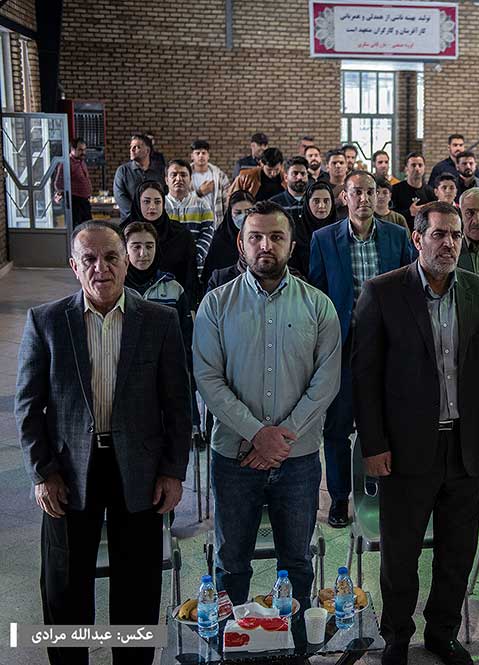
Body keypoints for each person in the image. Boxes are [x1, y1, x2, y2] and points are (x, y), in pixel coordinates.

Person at [17, 220, 190, 665]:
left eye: (111, 257)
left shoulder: (159, 321)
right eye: (89, 259)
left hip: (140, 470)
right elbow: (28, 408)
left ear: (126, 262)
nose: (101, 268)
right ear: (74, 266)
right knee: (65, 584)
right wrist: (42, 473)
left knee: (138, 583)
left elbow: (178, 404)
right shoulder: (46, 322)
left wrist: (173, 471)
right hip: (68, 472)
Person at [352, 201, 479, 665]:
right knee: (400, 555)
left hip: (465, 446)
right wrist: (374, 445)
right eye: (439, 234)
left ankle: (442, 633)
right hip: (404, 449)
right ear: (417, 239)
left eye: (455, 235)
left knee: (457, 552)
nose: (450, 243)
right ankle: (396, 636)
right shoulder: (383, 292)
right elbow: (364, 376)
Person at [193, 200, 342, 613]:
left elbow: (326, 381)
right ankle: (230, 641)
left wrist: (281, 438)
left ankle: (296, 641)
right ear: (241, 244)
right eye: (255, 237)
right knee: (231, 565)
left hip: (299, 460)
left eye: (276, 237)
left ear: (292, 245)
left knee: (297, 564)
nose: (265, 245)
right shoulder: (216, 305)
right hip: (234, 458)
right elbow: (208, 379)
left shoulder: (318, 306)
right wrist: (257, 434)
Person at [309, 170, 414, 527]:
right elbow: (318, 296)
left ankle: (379, 489)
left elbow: (408, 288)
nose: (365, 198)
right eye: (357, 192)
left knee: (385, 421)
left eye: (371, 192)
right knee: (337, 427)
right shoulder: (324, 239)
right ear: (345, 197)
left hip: (386, 344)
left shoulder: (397, 236)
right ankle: (340, 498)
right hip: (343, 344)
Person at [123, 221, 194, 352]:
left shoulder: (173, 289)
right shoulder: (115, 288)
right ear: (125, 249)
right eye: (136, 247)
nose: (143, 253)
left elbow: (186, 337)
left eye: (149, 246)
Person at [122, 179, 198, 297]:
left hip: (172, 300)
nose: (152, 206)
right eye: (146, 201)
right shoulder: (122, 234)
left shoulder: (181, 234)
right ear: (138, 203)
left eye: (157, 202)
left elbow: (190, 276)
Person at [165, 159, 215, 271]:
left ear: (190, 179)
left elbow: (208, 234)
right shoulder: (160, 206)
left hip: (196, 268)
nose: (178, 179)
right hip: (166, 269)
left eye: (183, 175)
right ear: (166, 180)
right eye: (173, 175)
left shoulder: (202, 205)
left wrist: (194, 258)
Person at [202, 190, 255, 292]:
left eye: (248, 211)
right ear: (230, 213)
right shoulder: (219, 241)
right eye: (238, 212)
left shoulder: (261, 238)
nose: (244, 216)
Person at [113, 133, 162, 219]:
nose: (132, 150)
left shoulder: (159, 171)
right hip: (130, 221)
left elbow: (164, 194)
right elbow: (120, 197)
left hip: (155, 220)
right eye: (131, 147)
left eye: (137, 147)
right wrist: (137, 215)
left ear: (147, 150)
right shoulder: (123, 171)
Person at [53, 137, 93, 226]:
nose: (83, 152)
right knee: (77, 230)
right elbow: (58, 184)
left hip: (84, 202)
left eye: (84, 150)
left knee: (88, 228)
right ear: (72, 149)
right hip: (74, 204)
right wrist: (67, 196)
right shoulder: (66, 163)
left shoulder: (81, 161)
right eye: (80, 150)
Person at [190, 139, 232, 225]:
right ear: (192, 156)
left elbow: (228, 201)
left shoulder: (219, 175)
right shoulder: (185, 176)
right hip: (192, 221)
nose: (201, 156)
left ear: (208, 156)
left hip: (215, 222)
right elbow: (180, 199)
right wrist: (199, 192)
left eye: (204, 153)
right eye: (197, 153)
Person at [391, 152, 434, 231]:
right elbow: (389, 213)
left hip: (423, 233)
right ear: (406, 169)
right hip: (401, 232)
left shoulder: (430, 192)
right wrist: (409, 212)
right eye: (413, 165)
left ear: (424, 168)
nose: (417, 168)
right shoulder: (395, 190)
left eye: (420, 165)